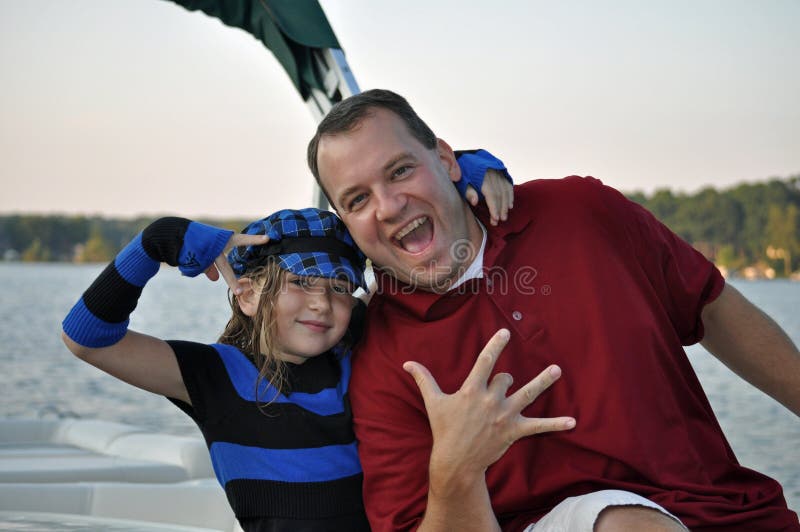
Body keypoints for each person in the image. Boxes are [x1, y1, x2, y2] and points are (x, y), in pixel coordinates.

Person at [307, 88, 800, 531]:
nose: (389, 205)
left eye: (400, 170)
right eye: (357, 199)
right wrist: (455, 470)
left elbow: (711, 308)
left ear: (446, 160)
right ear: (346, 224)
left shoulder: (582, 212)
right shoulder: (381, 361)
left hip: (731, 512)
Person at [59, 157, 552, 531]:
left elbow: (422, 254)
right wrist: (152, 243)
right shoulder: (213, 374)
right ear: (248, 294)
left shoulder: (360, 340)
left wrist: (464, 167)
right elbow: (87, 338)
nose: (322, 305)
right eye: (301, 284)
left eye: (339, 288)